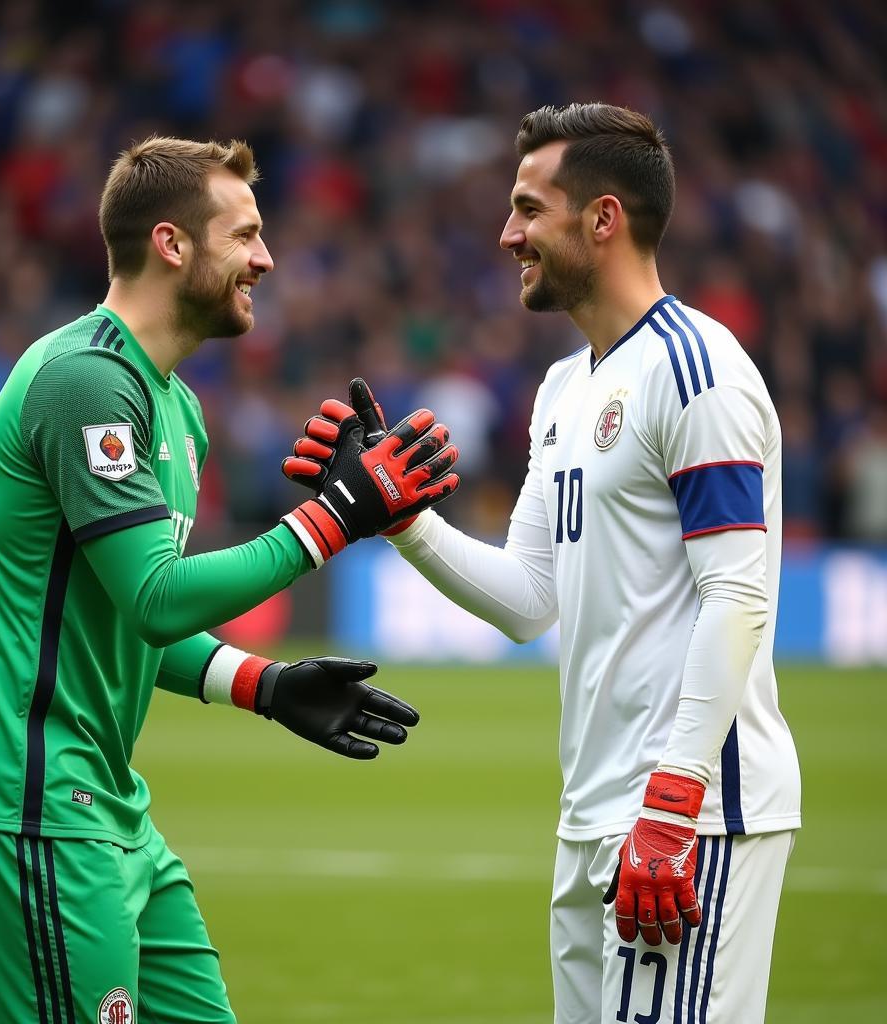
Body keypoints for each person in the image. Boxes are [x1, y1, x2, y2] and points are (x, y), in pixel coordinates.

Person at [0, 136, 459, 1024]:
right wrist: (336, 516)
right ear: (171, 244)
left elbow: (128, 618)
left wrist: (264, 684)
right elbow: (158, 595)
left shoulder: (177, 406)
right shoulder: (85, 381)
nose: (266, 259)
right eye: (245, 236)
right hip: (22, 801)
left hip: (105, 807)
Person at [284, 104, 801, 1023]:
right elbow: (530, 600)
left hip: (688, 817)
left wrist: (673, 804)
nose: (507, 232)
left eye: (528, 208)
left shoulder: (698, 373)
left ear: (602, 219)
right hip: (593, 817)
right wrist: (405, 522)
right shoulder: (565, 386)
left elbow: (738, 590)